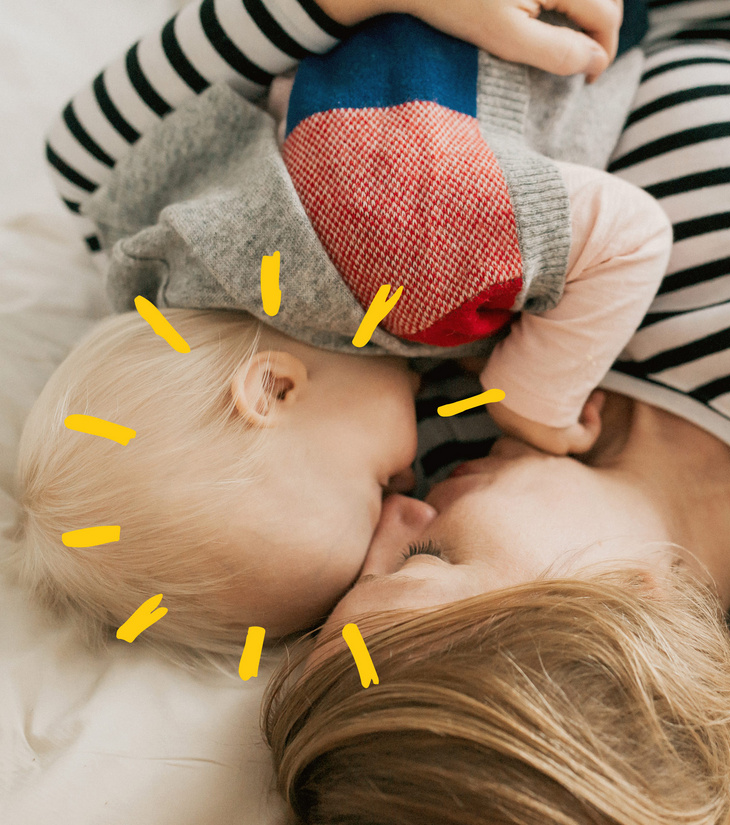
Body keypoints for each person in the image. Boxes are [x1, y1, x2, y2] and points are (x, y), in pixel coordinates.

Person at [262, 0, 730, 821]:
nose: (381, 522)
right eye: (428, 559)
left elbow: (158, 177)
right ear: (630, 600)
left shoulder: (453, 428)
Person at [13, 0, 670, 660]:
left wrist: (533, 398)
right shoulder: (174, 239)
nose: (410, 501)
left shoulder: (400, 268)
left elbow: (632, 236)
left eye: (380, 486)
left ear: (273, 388)